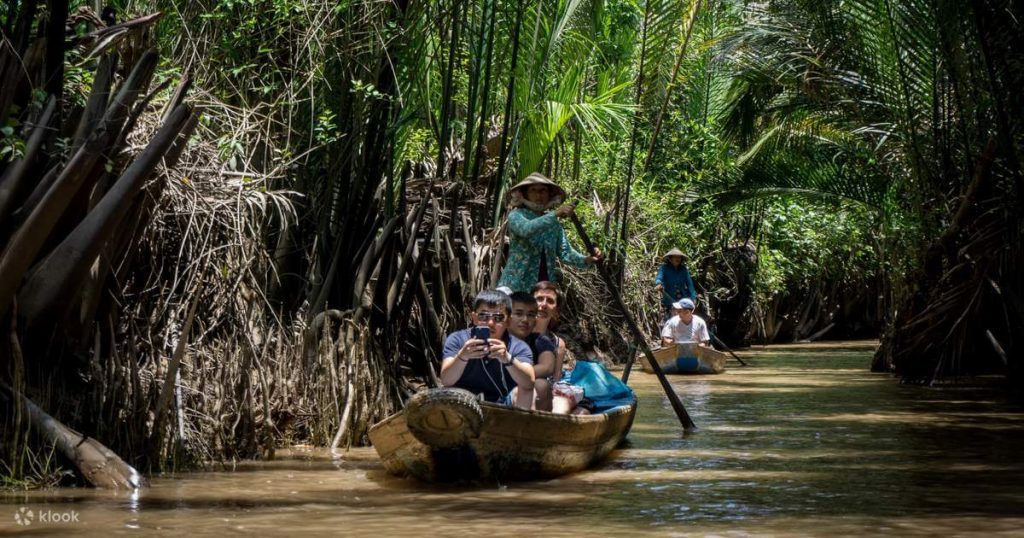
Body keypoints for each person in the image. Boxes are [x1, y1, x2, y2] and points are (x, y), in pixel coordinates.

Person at [497, 172, 602, 293]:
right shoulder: (516, 215)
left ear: (549, 195)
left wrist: (587, 259)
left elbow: (565, 253)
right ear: (525, 194)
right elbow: (525, 229)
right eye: (533, 190)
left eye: (543, 191)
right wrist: (555, 214)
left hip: (543, 288)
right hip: (516, 284)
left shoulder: (554, 224)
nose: (538, 195)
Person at [440, 290, 535, 409]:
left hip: (503, 404)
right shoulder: (458, 339)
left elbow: (529, 383)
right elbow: (446, 380)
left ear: (508, 321)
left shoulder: (519, 347)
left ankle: (517, 427)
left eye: (498, 317)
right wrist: (462, 357)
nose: (490, 323)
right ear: (474, 318)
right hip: (463, 401)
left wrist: (507, 359)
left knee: (527, 390)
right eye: (483, 316)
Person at [532, 281, 586, 414]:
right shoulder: (517, 333)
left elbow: (555, 381)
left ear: (556, 312)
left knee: (582, 410)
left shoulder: (558, 344)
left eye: (550, 301)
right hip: (523, 390)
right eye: (539, 299)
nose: (543, 305)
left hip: (545, 395)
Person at [506, 291, 559, 411]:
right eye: (519, 313)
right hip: (495, 390)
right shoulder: (498, 337)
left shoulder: (540, 340)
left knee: (542, 385)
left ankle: (536, 427)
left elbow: (547, 367)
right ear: (507, 316)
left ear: (535, 319)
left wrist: (512, 372)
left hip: (525, 390)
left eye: (530, 315)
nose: (525, 319)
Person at [655, 248, 696, 321]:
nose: (678, 259)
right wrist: (658, 284)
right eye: (675, 257)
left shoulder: (683, 269)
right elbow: (659, 278)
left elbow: (690, 284)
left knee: (684, 320)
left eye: (679, 257)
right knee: (671, 321)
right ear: (670, 258)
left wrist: (693, 298)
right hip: (669, 300)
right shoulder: (664, 268)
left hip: (683, 300)